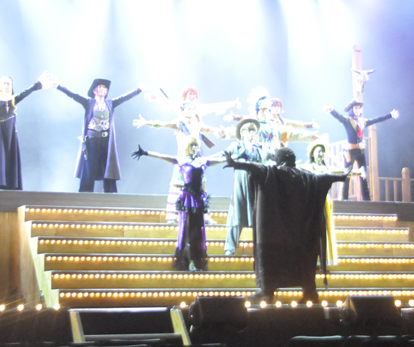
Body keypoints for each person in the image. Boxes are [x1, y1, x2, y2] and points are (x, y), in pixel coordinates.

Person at [223, 147, 348, 302]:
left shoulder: (271, 173)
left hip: (274, 235)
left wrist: (235, 163)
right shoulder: (307, 177)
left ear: (280, 160)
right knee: (303, 260)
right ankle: (309, 292)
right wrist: (341, 177)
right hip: (300, 236)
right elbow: (324, 178)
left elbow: (254, 167)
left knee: (270, 259)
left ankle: (267, 292)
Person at [132, 137, 225, 271]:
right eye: (192, 146)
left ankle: (197, 261)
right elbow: (164, 157)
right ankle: (185, 259)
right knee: (185, 229)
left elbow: (220, 159)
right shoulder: (182, 160)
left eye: (196, 146)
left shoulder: (202, 161)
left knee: (197, 230)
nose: (194, 148)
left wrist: (233, 159)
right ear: (188, 147)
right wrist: (147, 153)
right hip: (187, 198)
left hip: (198, 199)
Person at [133, 102, 222, 225]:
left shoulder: (197, 125)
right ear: (183, 111)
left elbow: (209, 129)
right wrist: (147, 123)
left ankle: (206, 216)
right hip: (183, 158)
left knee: (202, 187)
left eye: (192, 109)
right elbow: (162, 124)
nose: (190, 111)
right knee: (177, 185)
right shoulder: (178, 123)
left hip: (197, 158)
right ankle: (171, 216)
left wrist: (220, 131)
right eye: (188, 109)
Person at [57, 78, 142, 193]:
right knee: (89, 167)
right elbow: (74, 95)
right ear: (94, 91)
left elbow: (124, 97)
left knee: (108, 166)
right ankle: (85, 192)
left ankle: (110, 193)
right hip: (92, 140)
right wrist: (59, 86)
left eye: (104, 88)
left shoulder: (110, 103)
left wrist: (139, 90)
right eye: (100, 87)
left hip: (106, 141)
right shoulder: (89, 102)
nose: (103, 89)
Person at [323, 99, 398, 201]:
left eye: (359, 108)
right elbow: (339, 117)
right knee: (346, 174)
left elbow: (377, 119)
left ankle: (366, 199)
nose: (357, 110)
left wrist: (390, 115)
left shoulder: (363, 121)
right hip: (350, 151)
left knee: (364, 175)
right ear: (351, 109)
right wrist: (332, 111)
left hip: (360, 151)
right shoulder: (347, 120)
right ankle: (343, 198)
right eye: (355, 108)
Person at [221, 118, 269, 256]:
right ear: (243, 132)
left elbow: (271, 157)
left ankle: (262, 249)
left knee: (260, 214)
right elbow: (224, 154)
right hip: (242, 184)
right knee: (237, 213)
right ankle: (230, 247)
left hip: (257, 184)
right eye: (250, 130)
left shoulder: (261, 147)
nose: (253, 133)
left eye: (254, 130)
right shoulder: (236, 146)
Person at [298, 142, 342, 267]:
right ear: (312, 154)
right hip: (311, 200)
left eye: (323, 152)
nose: (321, 154)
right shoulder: (307, 167)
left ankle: (324, 257)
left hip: (324, 200)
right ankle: (311, 258)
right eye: (319, 151)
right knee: (312, 228)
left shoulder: (326, 169)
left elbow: (340, 172)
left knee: (324, 228)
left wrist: (357, 172)